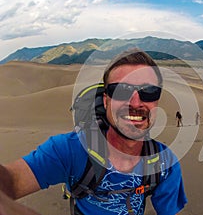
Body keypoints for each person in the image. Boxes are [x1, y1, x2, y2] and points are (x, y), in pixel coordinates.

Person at [0, 49, 187, 215]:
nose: (136, 103)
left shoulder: (165, 164)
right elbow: (11, 180)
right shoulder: (69, 150)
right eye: (121, 91)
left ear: (157, 102)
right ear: (106, 101)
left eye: (149, 92)